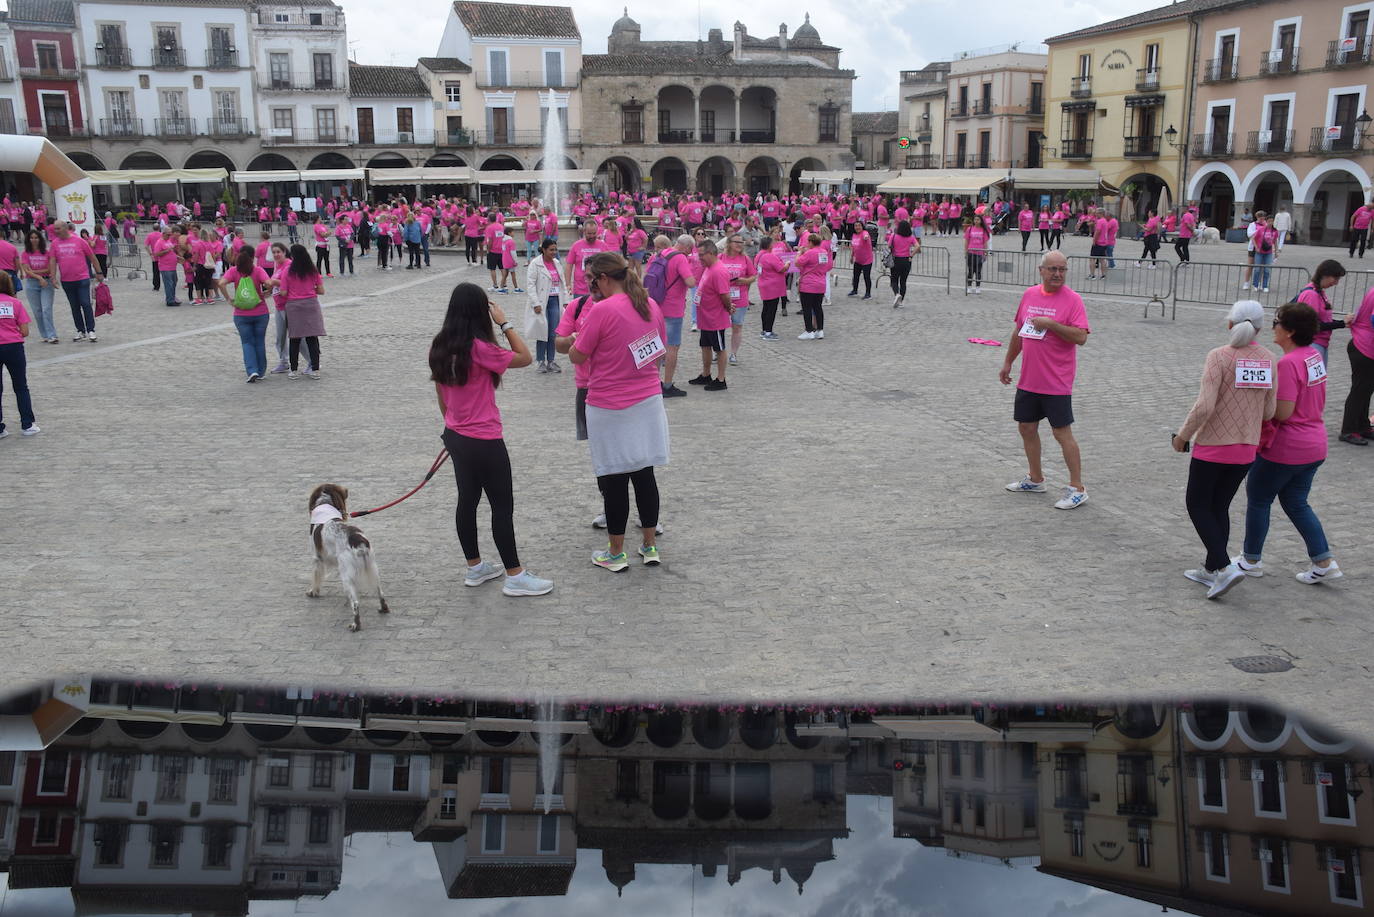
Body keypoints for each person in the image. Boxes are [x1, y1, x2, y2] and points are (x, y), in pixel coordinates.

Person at [429, 282, 553, 597]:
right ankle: (515, 575)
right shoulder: (480, 348)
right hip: (484, 437)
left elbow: (441, 394)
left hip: (456, 434)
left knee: (467, 501)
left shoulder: (440, 345)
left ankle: (475, 567)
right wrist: (505, 322)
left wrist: (451, 426)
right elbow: (524, 357)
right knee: (501, 506)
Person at [568, 251, 669, 572]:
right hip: (648, 401)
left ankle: (616, 553)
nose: (590, 286)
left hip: (609, 404)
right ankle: (650, 545)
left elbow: (577, 356)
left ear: (603, 278)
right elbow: (659, 351)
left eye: (591, 280)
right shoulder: (650, 305)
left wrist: (574, 341)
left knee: (614, 479)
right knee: (644, 474)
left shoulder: (601, 310)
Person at [1172, 300, 1277, 599]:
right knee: (1219, 506)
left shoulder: (1219, 356)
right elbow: (1269, 411)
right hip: (1246, 448)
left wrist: (1182, 436)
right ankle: (1211, 568)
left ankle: (1223, 567)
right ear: (1259, 328)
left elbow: (1205, 405)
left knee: (1197, 504)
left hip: (1214, 446)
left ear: (1230, 323)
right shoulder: (1269, 359)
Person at [1236, 302, 1342, 585]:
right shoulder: (1314, 355)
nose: (1273, 327)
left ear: (1290, 331)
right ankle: (1323, 560)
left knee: (1259, 499)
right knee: (1297, 502)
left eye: (1277, 323)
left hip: (1288, 446)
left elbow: (1282, 412)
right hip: (1314, 442)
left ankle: (1250, 559)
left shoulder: (1288, 363)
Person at [1000, 251, 1091, 509]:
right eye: (1052, 269)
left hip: (1056, 381)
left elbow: (1081, 337)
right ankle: (1036, 478)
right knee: (1026, 428)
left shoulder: (1073, 300)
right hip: (1029, 378)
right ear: (1041, 270)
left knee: (1062, 433)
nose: (1058, 274)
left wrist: (1051, 324)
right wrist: (1008, 361)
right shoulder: (1030, 295)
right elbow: (1019, 331)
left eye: (1062, 269)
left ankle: (1077, 487)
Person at [272, 244, 326, 380]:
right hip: (311, 304)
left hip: (294, 306)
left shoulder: (288, 271)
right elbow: (321, 290)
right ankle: (315, 369)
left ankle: (294, 370)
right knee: (312, 338)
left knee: (294, 338)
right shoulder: (312, 269)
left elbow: (283, 292)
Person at [219, 248, 273, 383]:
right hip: (260, 311)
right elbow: (269, 283)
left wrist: (228, 299)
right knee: (259, 342)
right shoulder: (258, 270)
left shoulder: (233, 271)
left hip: (241, 313)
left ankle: (252, 370)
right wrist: (268, 292)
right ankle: (261, 371)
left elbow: (221, 283)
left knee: (247, 342)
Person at [51, 221, 105, 340]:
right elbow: (53, 261)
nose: (56, 231)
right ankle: (80, 330)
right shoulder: (54, 244)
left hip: (82, 278)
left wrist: (99, 272)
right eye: (55, 229)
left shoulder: (79, 241)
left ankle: (91, 329)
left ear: (66, 228)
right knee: (74, 306)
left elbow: (92, 257)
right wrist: (53, 277)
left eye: (58, 228)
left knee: (85, 303)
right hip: (66, 279)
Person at [0, 272, 38, 438]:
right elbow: (25, 331)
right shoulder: (15, 303)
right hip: (13, 346)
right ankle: (27, 424)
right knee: (21, 386)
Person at [691, 239, 732, 389]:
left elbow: (725, 295)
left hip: (715, 318)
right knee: (705, 346)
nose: (699, 258)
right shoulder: (708, 267)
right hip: (705, 316)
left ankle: (721, 380)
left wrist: (728, 308)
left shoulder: (719, 271)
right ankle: (706, 374)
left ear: (710, 253)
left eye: (701, 255)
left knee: (719, 348)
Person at [1340, 279, 1374, 445]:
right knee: (1360, 390)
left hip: (1363, 344)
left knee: (1366, 389)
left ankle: (1363, 425)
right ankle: (1348, 430)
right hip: (1365, 347)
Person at [1297, 259, 1347, 368]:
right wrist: (1341, 324)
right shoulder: (1312, 295)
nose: (1336, 283)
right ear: (1325, 275)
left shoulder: (1319, 292)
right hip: (1313, 343)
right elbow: (1313, 325)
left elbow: (1323, 321)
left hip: (1320, 343)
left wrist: (1343, 323)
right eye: (1335, 278)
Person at [524, 238, 564, 373]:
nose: (554, 252)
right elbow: (530, 285)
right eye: (551, 250)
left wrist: (565, 300)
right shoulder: (535, 264)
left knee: (553, 333)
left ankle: (551, 360)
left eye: (555, 249)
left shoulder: (557, 263)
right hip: (541, 302)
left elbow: (562, 283)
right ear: (544, 250)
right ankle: (541, 361)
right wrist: (535, 303)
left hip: (554, 300)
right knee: (542, 332)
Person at [717, 233, 757, 365]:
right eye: (737, 242)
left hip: (740, 297)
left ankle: (733, 354)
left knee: (737, 326)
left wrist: (745, 281)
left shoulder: (745, 259)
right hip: (722, 297)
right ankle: (719, 351)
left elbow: (753, 276)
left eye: (741, 242)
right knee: (719, 326)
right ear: (729, 243)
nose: (740, 245)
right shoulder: (720, 258)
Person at [19, 230, 56, 344]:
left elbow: (49, 269)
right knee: (37, 311)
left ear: (40, 239)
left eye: (36, 237)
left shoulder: (47, 252)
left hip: (46, 282)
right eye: (32, 238)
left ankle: (52, 335)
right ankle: (44, 334)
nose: (34, 240)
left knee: (46, 309)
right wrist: (38, 276)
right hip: (32, 283)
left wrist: (34, 271)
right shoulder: (25, 253)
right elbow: (26, 270)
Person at [794, 233, 829, 340]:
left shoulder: (810, 253)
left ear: (811, 242)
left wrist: (799, 252)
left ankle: (809, 330)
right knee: (818, 307)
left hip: (808, 284)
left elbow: (797, 263)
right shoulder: (824, 252)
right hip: (821, 284)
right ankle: (820, 330)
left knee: (807, 308)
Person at [755, 235, 787, 341]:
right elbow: (781, 268)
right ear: (769, 245)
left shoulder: (760, 255)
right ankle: (768, 332)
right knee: (771, 310)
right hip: (772, 286)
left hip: (764, 283)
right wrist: (787, 264)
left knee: (766, 308)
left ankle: (765, 330)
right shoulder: (769, 256)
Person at [889, 219, 917, 307]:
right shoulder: (911, 237)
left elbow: (889, 246)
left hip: (896, 260)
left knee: (894, 280)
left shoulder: (893, 236)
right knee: (903, 281)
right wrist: (911, 255)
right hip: (906, 260)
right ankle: (901, 302)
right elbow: (917, 246)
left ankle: (897, 294)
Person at [1250, 215, 1278, 293]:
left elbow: (1275, 241)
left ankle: (1265, 286)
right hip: (1259, 252)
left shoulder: (1275, 231)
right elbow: (1253, 238)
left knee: (1267, 270)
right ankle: (1255, 285)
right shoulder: (1261, 229)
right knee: (1257, 269)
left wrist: (1276, 251)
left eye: (1272, 221)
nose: (1270, 223)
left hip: (1269, 252)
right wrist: (1256, 248)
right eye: (1269, 221)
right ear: (1266, 221)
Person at [963, 213, 989, 294]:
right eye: (975, 220)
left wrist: (985, 252)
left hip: (979, 253)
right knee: (970, 270)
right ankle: (969, 286)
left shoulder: (983, 230)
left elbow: (985, 243)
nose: (976, 221)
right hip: (971, 252)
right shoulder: (970, 229)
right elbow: (966, 241)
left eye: (978, 220)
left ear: (981, 221)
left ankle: (978, 287)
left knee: (978, 271)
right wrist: (965, 251)